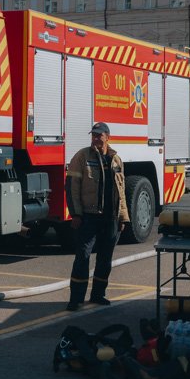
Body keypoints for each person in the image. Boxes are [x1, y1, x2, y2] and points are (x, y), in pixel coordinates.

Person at [65, 122, 130, 311]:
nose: (95, 138)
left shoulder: (116, 159)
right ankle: (76, 298)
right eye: (93, 135)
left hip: (110, 218)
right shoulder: (82, 156)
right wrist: (76, 213)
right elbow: (72, 187)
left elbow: (121, 191)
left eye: (98, 135)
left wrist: (123, 217)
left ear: (107, 137)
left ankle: (98, 294)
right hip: (89, 217)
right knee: (83, 256)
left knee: (105, 258)